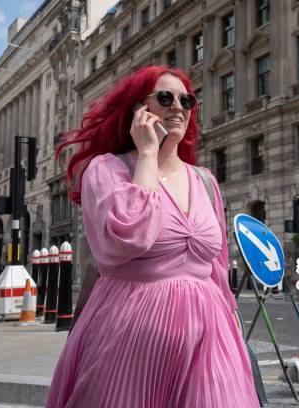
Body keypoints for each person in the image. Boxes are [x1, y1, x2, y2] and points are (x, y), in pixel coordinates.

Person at [46, 66, 258, 407]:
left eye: (186, 99)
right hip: (128, 340)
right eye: (165, 98)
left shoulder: (204, 180)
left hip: (211, 339)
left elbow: (217, 268)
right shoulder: (108, 169)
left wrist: (232, 328)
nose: (179, 107)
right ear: (136, 110)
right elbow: (127, 239)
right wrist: (146, 154)